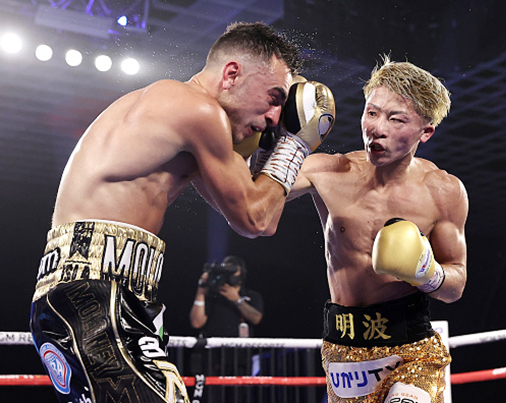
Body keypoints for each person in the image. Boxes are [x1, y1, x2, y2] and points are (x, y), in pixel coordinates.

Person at [29, 21, 334, 403]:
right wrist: (295, 145)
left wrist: (274, 151)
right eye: (273, 98)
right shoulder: (198, 111)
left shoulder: (183, 125)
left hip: (104, 293)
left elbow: (262, 216)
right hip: (94, 294)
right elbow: (254, 217)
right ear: (232, 74)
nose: (274, 116)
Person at [286, 56, 469, 403]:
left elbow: (455, 286)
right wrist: (278, 139)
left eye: (396, 119)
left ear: (425, 132)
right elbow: (251, 203)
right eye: (371, 113)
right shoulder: (328, 172)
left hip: (413, 350)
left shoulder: (443, 191)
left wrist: (427, 273)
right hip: (343, 350)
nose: (377, 128)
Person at [189, 255, 263, 402]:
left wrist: (236, 299)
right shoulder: (212, 296)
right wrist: (201, 290)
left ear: (241, 273)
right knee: (210, 398)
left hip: (240, 361)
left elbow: (256, 318)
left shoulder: (251, 296)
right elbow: (196, 322)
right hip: (212, 360)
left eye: (233, 270)